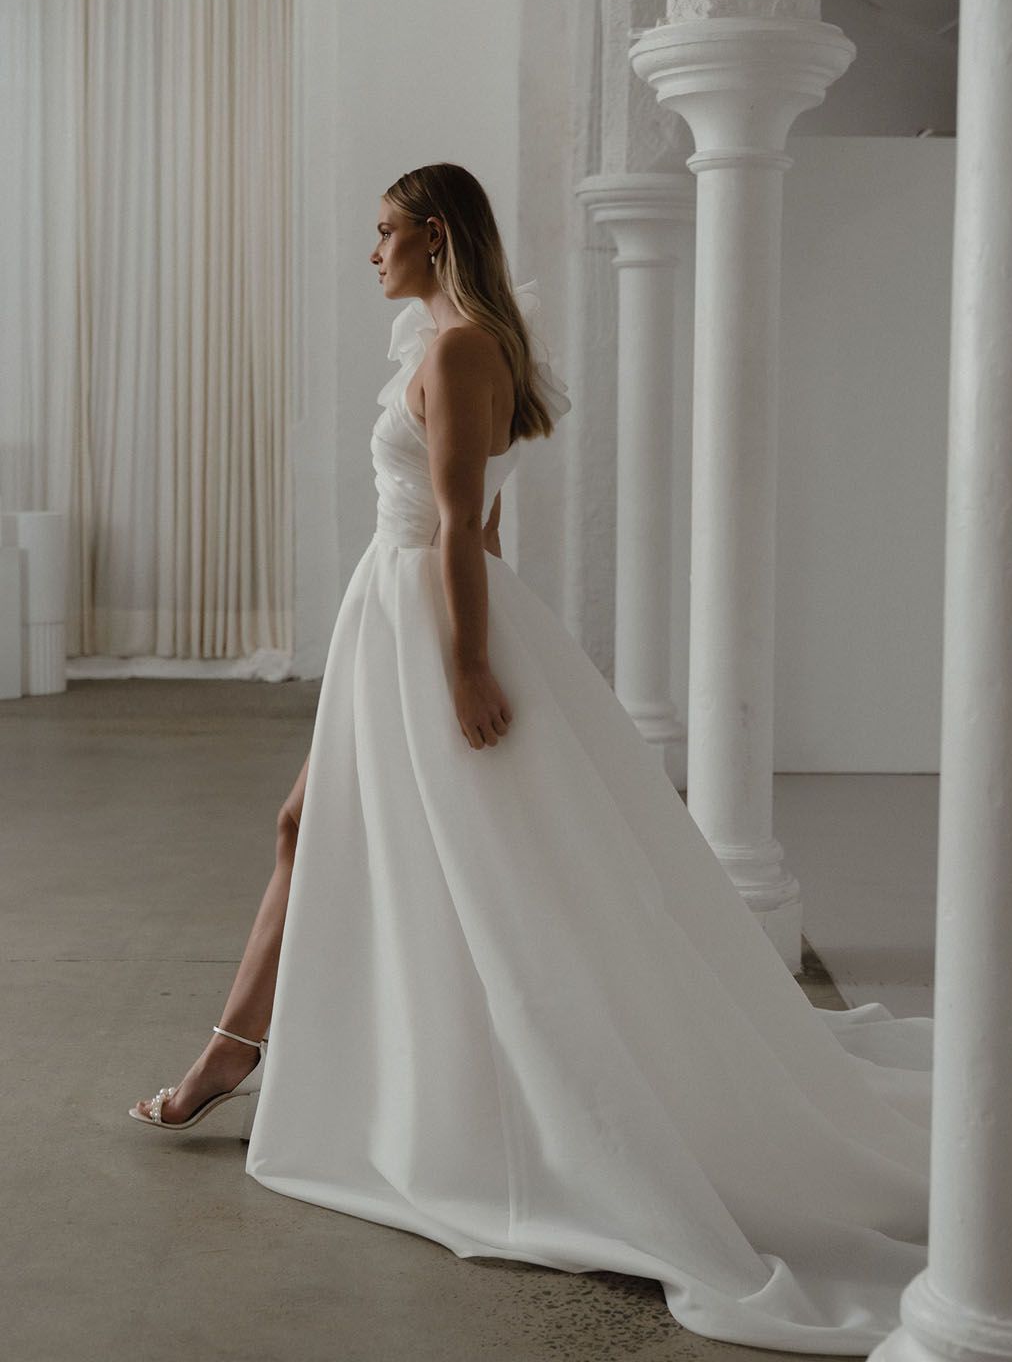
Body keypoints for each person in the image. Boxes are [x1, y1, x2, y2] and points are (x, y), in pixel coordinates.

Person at [129, 162, 932, 1354]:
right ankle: (233, 1050)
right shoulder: (447, 336)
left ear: (437, 237)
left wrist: (466, 667)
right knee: (315, 827)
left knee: (458, 863)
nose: (373, 253)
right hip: (396, 617)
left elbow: (463, 522)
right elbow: (483, 521)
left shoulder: (458, 353)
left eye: (387, 232)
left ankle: (242, 1059)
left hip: (426, 624)